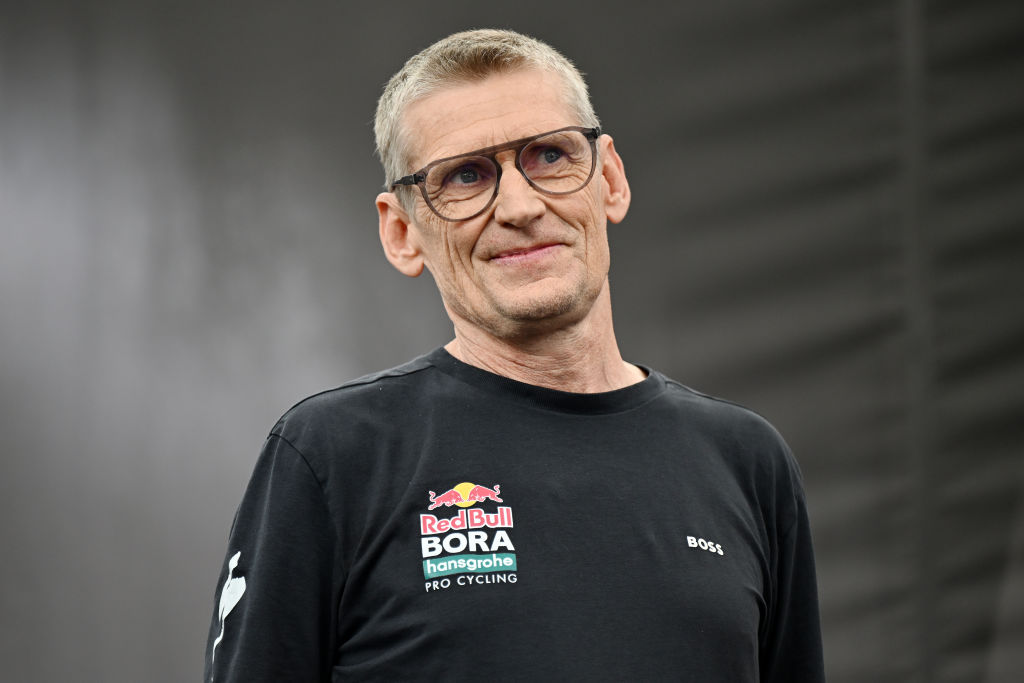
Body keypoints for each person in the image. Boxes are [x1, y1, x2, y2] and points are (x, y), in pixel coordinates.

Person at [204, 28, 824, 682]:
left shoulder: (748, 462)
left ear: (609, 178)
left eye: (550, 155)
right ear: (401, 231)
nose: (522, 206)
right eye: (466, 176)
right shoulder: (334, 456)